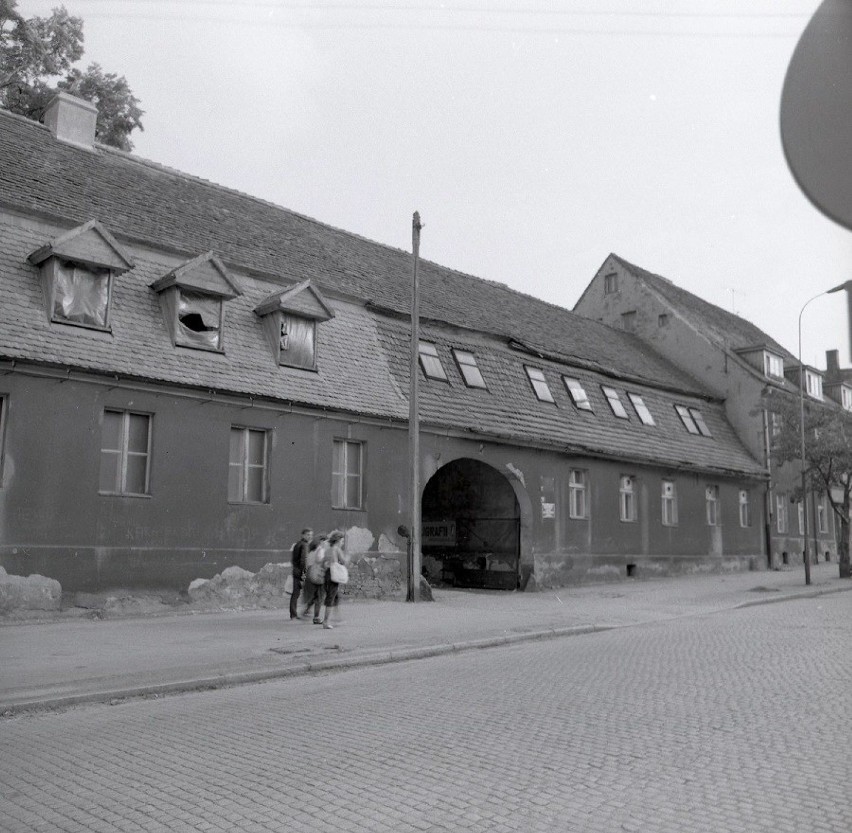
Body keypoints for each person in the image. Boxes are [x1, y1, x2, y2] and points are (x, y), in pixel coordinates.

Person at [321, 529, 349, 629]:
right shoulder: (337, 549)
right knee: (331, 598)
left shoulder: (328, 549)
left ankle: (337, 619)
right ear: (338, 540)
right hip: (334, 575)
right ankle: (326, 622)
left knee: (335, 597)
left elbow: (323, 563)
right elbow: (344, 561)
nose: (342, 543)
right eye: (342, 541)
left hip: (327, 574)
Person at [301, 533, 328, 624]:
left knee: (315, 595)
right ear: (321, 541)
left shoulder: (311, 550)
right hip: (318, 574)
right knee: (319, 597)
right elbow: (319, 560)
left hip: (310, 573)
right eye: (325, 541)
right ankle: (316, 617)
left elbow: (307, 562)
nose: (326, 543)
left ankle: (307, 610)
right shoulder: (320, 549)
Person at [289, 527, 312, 620]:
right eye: (308, 535)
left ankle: (293, 614)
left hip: (296, 571)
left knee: (295, 594)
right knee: (311, 592)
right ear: (303, 535)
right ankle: (306, 611)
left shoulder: (297, 544)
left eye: (311, 535)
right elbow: (304, 560)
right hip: (301, 573)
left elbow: (293, 560)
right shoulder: (305, 545)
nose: (310, 536)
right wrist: (304, 574)